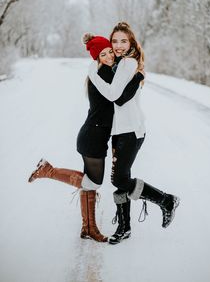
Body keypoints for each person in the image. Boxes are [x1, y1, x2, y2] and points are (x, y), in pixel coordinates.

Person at [28, 33, 144, 242]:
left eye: (110, 52)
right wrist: (137, 76)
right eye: (103, 54)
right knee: (93, 182)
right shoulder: (105, 74)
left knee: (90, 182)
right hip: (93, 137)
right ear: (97, 57)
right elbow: (119, 98)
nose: (110, 56)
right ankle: (49, 171)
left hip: (93, 135)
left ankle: (88, 228)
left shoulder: (102, 73)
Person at [88, 22, 180, 245]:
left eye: (123, 41)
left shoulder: (128, 63)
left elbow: (114, 96)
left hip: (131, 130)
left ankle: (166, 200)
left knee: (120, 178)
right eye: (115, 41)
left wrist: (93, 74)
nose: (118, 46)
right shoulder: (120, 64)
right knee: (120, 179)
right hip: (120, 131)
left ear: (131, 43)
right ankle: (124, 228)